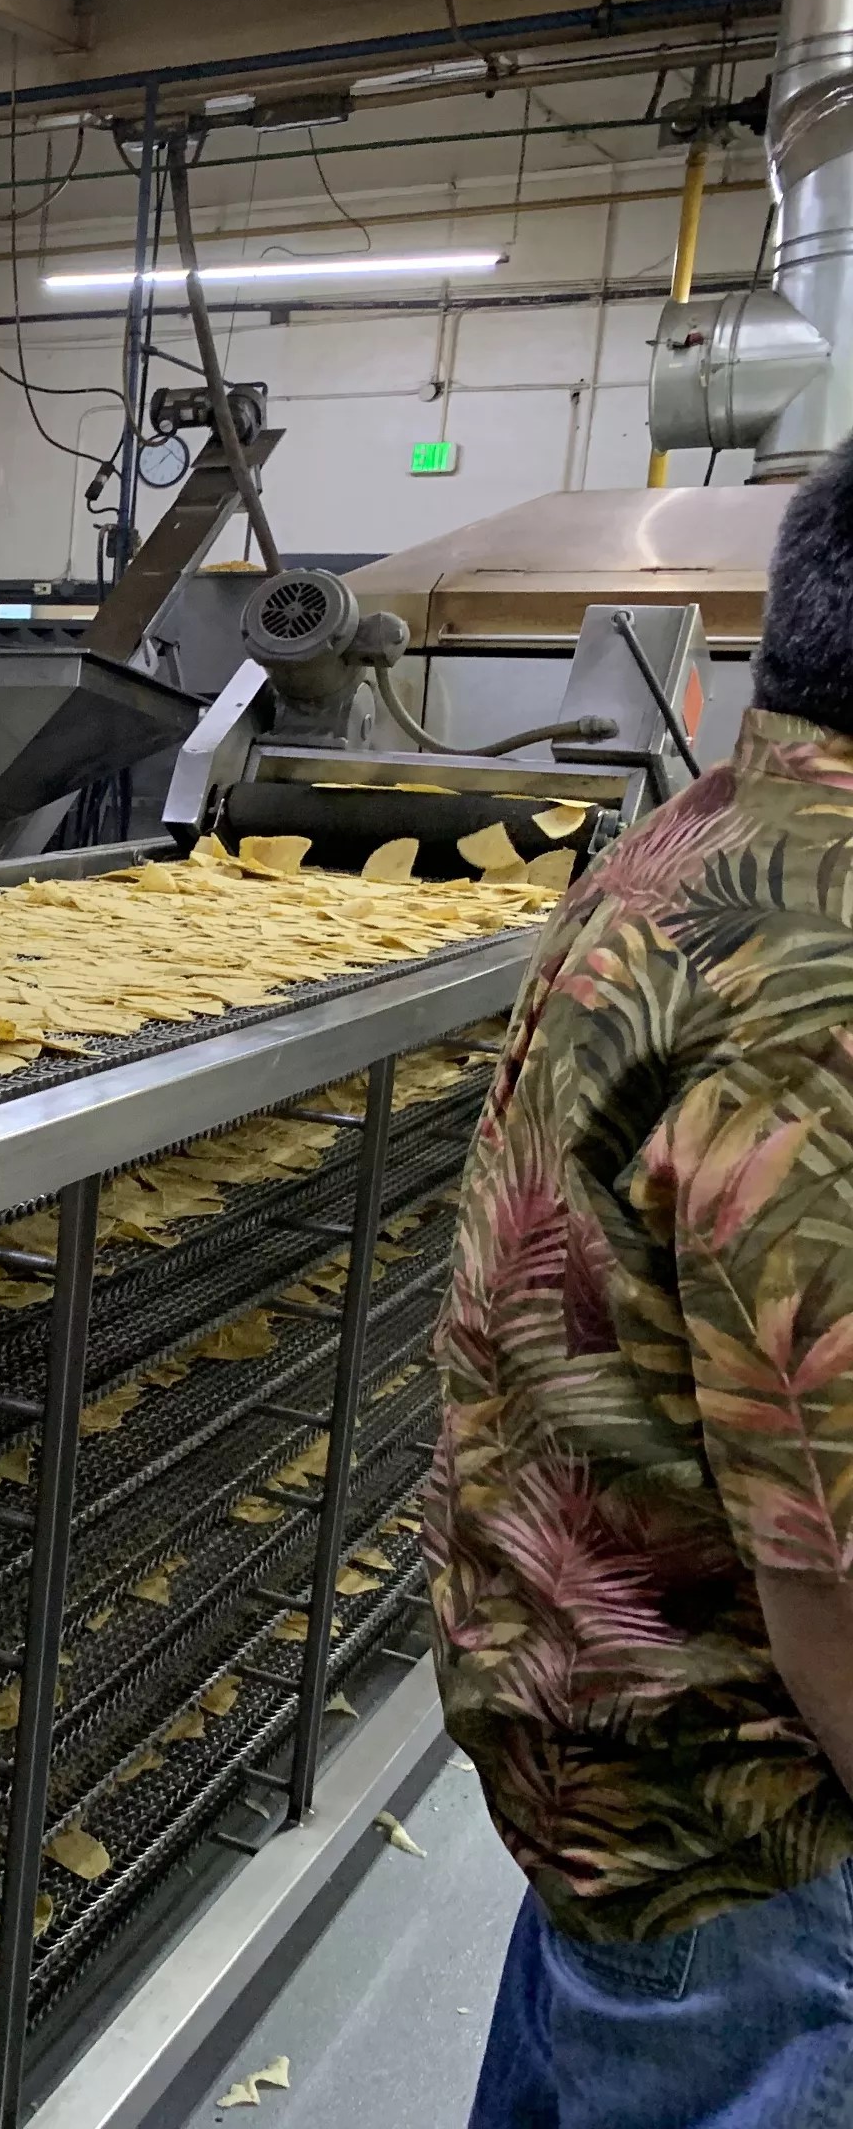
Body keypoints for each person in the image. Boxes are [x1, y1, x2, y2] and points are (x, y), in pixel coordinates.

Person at [431, 439, 853, 2129]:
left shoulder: (702, 840)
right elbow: (829, 1554)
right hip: (740, 1824)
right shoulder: (831, 978)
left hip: (594, 1735)